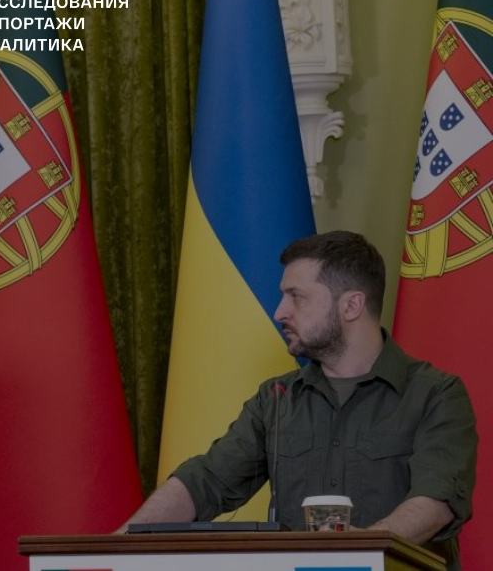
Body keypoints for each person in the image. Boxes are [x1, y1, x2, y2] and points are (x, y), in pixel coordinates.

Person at [119, 231, 476, 569]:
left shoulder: (436, 395)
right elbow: (204, 482)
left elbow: (436, 501)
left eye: (296, 296)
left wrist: (360, 554)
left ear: (351, 305)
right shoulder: (275, 400)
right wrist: (117, 547)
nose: (279, 312)